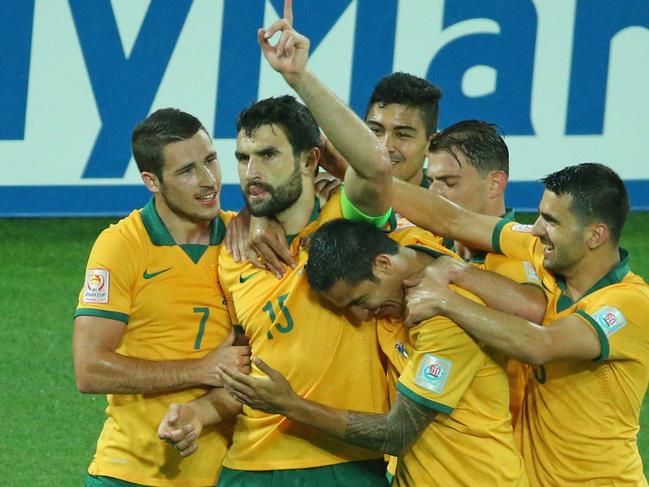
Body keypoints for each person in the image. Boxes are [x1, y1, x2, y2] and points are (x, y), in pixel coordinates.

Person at [159, 6, 396, 486]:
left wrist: (298, 75)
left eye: (268, 155)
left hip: (341, 463)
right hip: (248, 467)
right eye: (243, 158)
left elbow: (375, 166)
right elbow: (250, 365)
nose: (251, 172)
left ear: (311, 161)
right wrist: (198, 414)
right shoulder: (231, 250)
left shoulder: (349, 219)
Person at [216, 218, 529, 487]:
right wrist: (253, 216)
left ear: (383, 264)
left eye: (359, 301)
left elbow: (398, 432)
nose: (361, 317)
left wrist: (289, 404)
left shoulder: (446, 320)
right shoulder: (397, 266)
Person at [396, 162, 649, 485]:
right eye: (541, 215)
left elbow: (539, 345)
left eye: (552, 221)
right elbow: (453, 219)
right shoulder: (540, 252)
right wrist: (363, 176)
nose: (537, 229)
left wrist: (447, 300)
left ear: (595, 235)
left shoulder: (630, 304)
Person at [73, 108, 250, 487]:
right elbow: (89, 369)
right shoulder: (121, 246)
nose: (208, 181)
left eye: (211, 161)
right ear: (152, 181)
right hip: (130, 473)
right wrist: (200, 369)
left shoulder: (246, 239)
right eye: (187, 171)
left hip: (226, 474)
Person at [425, 119, 547, 423]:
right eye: (431, 181)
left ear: (494, 184)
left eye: (449, 183)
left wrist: (455, 276)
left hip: (493, 445)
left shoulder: (520, 255)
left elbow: (533, 309)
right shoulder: (430, 240)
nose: (434, 193)